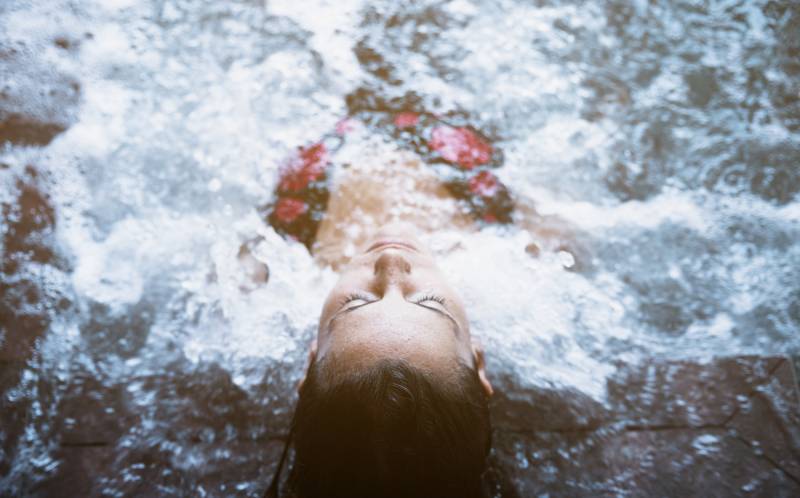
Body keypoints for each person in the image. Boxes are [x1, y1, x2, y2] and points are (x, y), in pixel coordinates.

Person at [256, 94, 579, 497]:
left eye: (357, 302)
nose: (391, 260)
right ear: (478, 362)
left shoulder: (285, 246)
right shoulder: (509, 242)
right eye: (430, 303)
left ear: (309, 363)